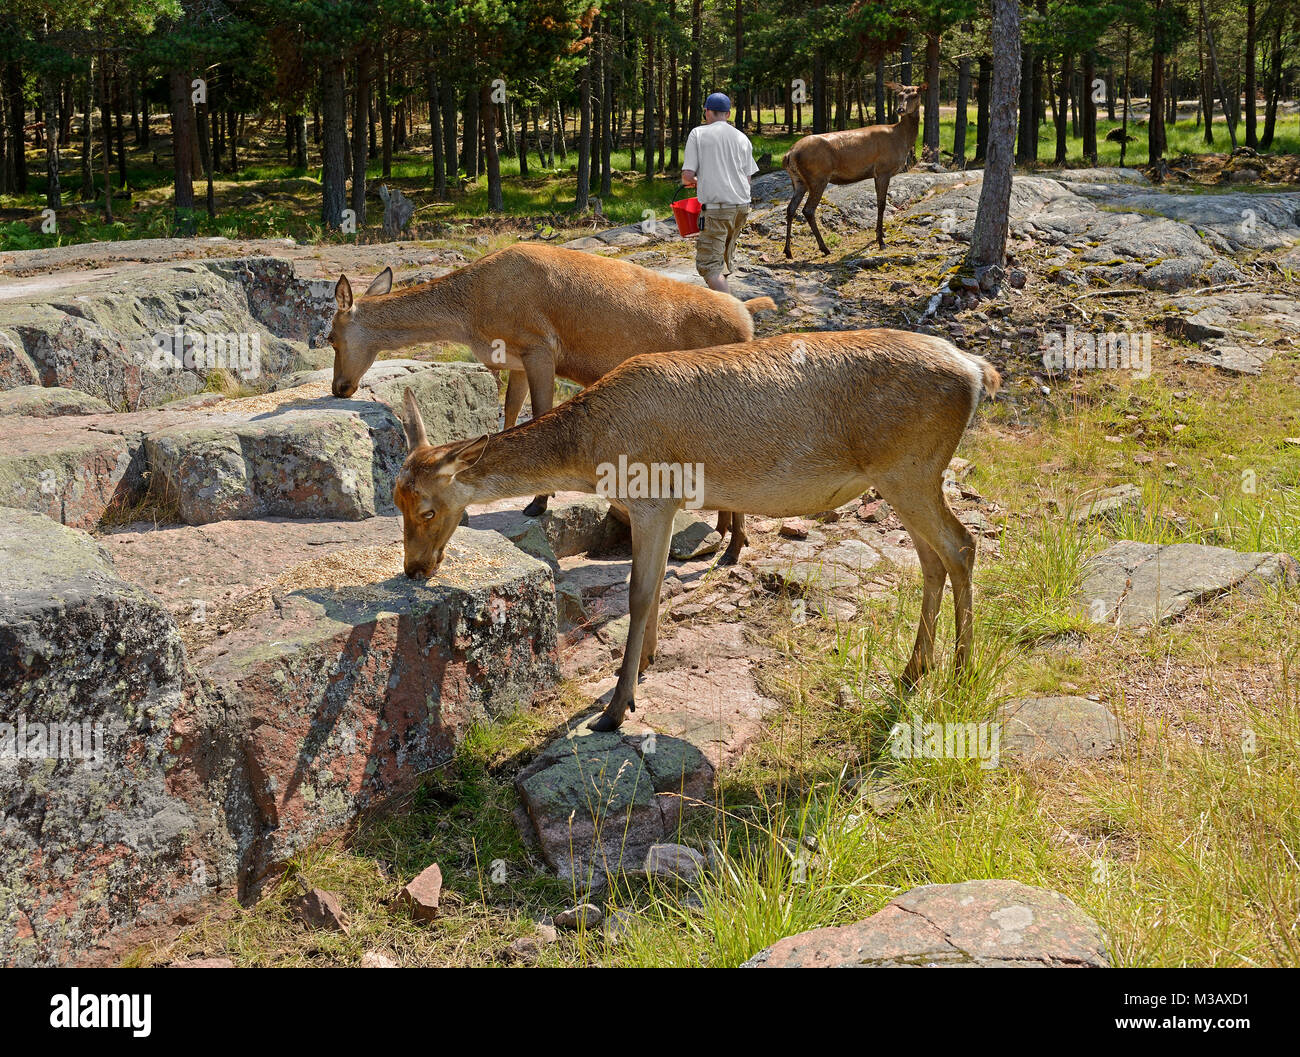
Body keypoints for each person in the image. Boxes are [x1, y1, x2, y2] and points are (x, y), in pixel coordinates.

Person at [681, 92, 758, 294]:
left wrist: (699, 182)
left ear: (706, 112)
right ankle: (721, 308)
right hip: (742, 207)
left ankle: (731, 316)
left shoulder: (698, 134)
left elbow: (687, 176)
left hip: (717, 211)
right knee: (723, 260)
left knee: (709, 265)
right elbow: (747, 178)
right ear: (728, 114)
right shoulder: (742, 138)